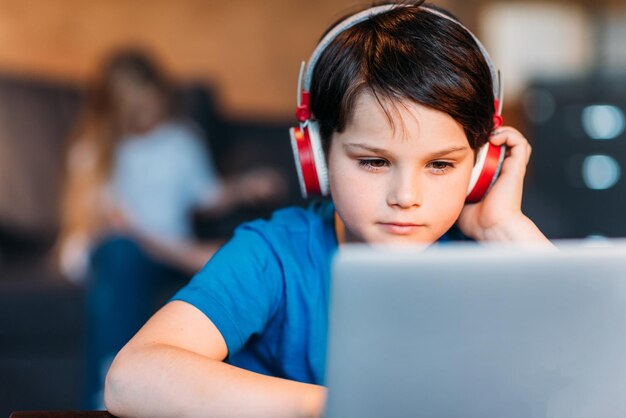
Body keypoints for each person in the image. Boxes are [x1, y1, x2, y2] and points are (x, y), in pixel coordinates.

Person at [104, 3, 550, 417]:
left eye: (440, 164)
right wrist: (343, 408)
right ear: (316, 158)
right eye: (374, 161)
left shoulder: (488, 256)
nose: (405, 196)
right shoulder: (275, 256)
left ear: (479, 169)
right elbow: (130, 379)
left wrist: (505, 229)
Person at [56, 49, 285, 408]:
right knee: (121, 251)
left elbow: (207, 196)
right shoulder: (94, 151)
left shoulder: (182, 140)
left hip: (167, 250)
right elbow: (96, 223)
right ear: (114, 106)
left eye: (149, 98)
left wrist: (245, 186)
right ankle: (103, 396)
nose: (145, 110)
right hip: (122, 250)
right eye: (133, 103)